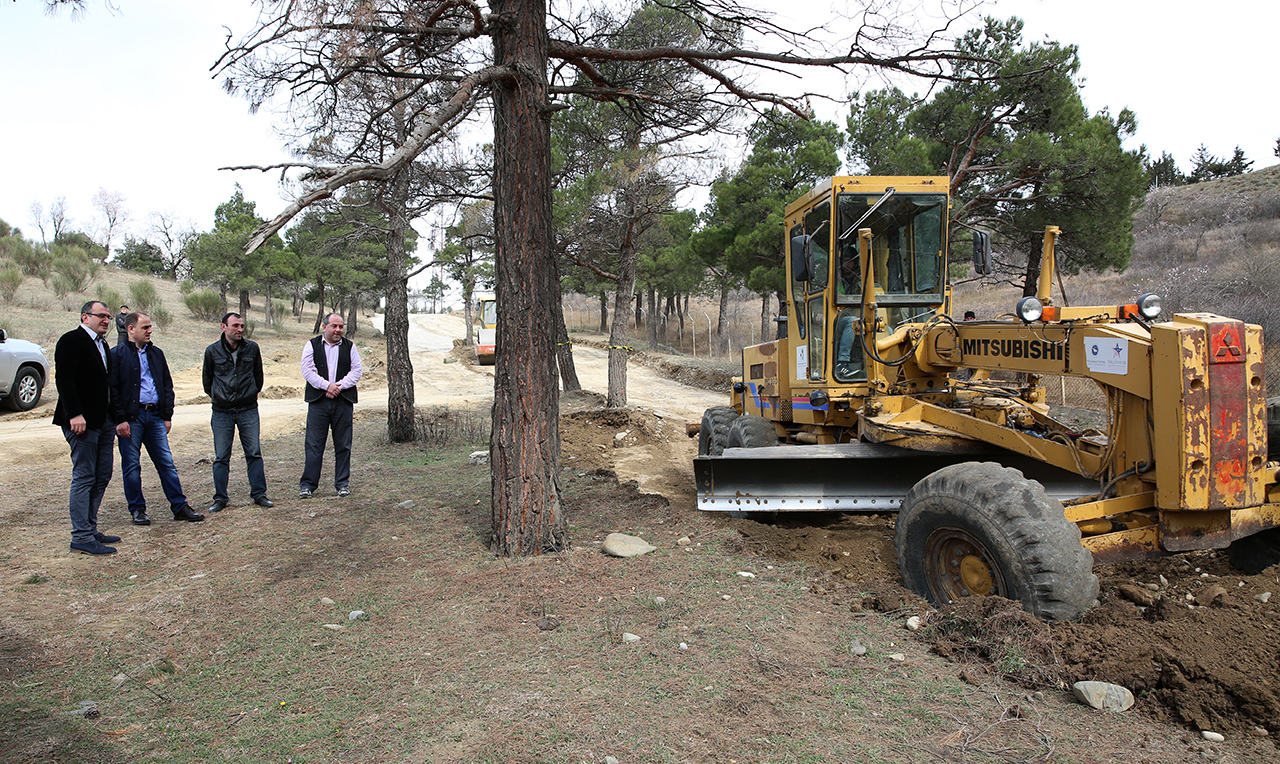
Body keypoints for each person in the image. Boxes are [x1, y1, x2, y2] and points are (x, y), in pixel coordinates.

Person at [108, 312, 204, 524]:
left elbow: (167, 385)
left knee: (166, 463)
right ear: (131, 329)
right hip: (131, 419)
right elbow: (112, 390)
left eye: (150, 327)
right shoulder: (116, 354)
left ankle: (180, 507)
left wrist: (167, 415)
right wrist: (120, 419)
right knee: (132, 465)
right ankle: (137, 510)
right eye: (145, 327)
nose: (149, 331)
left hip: (156, 417)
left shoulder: (157, 354)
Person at [52, 301, 120, 555]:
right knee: (84, 476)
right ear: (85, 317)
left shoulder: (102, 344)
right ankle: (80, 536)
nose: (106, 320)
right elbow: (65, 380)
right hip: (81, 423)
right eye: (101, 316)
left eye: (108, 317)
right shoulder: (71, 340)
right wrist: (75, 414)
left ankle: (90, 528)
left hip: (103, 422)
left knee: (102, 475)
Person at [202, 312, 273, 513]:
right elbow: (207, 381)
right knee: (221, 456)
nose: (240, 329)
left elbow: (258, 377)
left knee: (254, 453)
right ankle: (220, 498)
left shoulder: (252, 349)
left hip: (248, 410)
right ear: (224, 327)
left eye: (242, 326)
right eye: (235, 326)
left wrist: (249, 394)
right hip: (221, 412)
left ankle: (259, 494)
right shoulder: (212, 351)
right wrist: (219, 396)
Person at [299, 312, 362, 499]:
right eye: (334, 326)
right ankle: (308, 485)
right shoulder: (311, 345)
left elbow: (356, 370)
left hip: (343, 402)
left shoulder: (350, 347)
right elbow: (307, 370)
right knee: (314, 445)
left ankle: (342, 483)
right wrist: (326, 386)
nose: (338, 330)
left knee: (343, 444)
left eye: (341, 326)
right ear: (324, 326)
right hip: (319, 402)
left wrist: (338, 387)